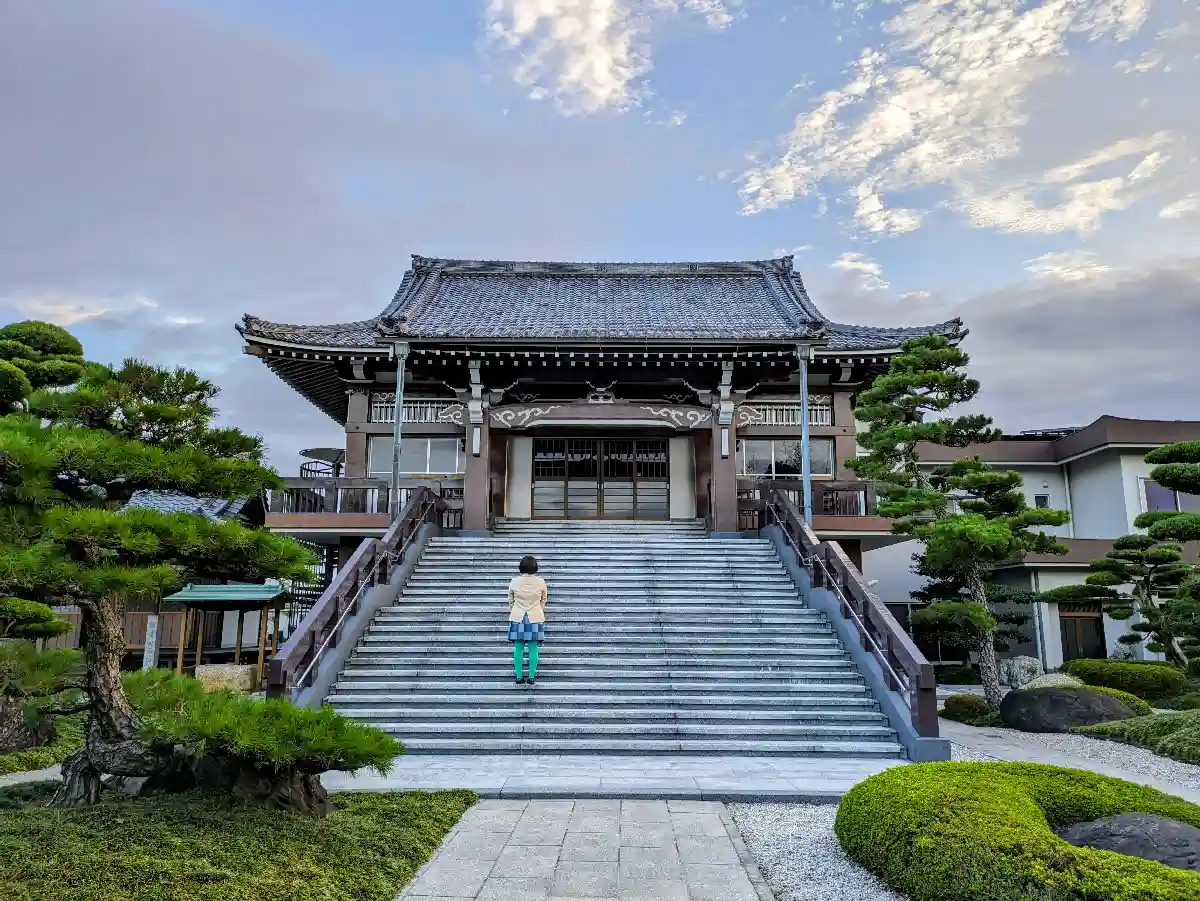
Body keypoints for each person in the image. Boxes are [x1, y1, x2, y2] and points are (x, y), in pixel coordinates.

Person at [508, 555, 548, 686]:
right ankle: (531, 677)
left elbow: (510, 600)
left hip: (518, 616)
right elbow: (544, 599)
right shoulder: (541, 582)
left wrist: (515, 609)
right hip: (534, 617)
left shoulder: (514, 581)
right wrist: (538, 609)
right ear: (535, 567)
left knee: (518, 648)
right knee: (533, 648)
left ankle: (519, 677)